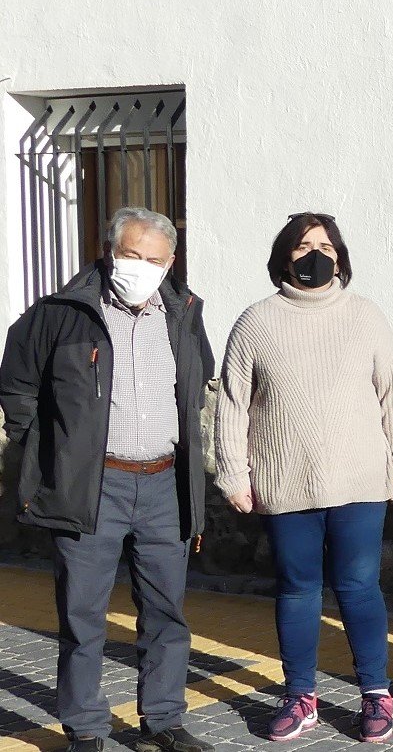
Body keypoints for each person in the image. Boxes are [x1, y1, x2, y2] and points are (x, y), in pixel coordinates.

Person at [0, 207, 214, 752]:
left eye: (155, 260)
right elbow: (18, 383)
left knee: (166, 610)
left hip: (163, 483)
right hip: (92, 486)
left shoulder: (184, 313)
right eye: (131, 255)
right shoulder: (62, 313)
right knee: (82, 614)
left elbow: (196, 383)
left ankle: (163, 720)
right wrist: (44, 448)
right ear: (108, 251)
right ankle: (87, 729)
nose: (142, 268)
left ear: (170, 263)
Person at [214, 212, 393, 743]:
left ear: (341, 256)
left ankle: (375, 695)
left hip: (359, 481)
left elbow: (392, 395)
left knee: (359, 587)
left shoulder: (366, 316)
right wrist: (233, 473)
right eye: (302, 247)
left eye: (325, 245)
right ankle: (300, 696)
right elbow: (231, 406)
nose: (314, 255)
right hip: (286, 480)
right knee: (298, 591)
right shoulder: (256, 321)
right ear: (283, 256)